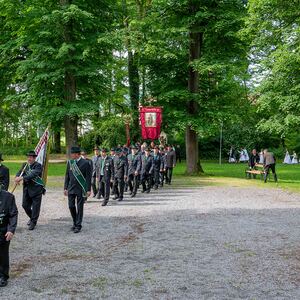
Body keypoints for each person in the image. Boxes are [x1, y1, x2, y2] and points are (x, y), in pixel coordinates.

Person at [64, 146, 92, 233]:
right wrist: (65, 188)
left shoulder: (86, 163)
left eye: (72, 153)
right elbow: (67, 176)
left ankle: (78, 225)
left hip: (81, 188)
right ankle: (75, 222)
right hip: (71, 188)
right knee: (71, 206)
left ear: (77, 154)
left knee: (80, 207)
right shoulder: (70, 162)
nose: (71, 155)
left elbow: (88, 177)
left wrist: (88, 189)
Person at [15, 151, 45, 230]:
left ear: (34, 158)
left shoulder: (38, 166)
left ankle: (33, 222)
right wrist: (16, 177)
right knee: (25, 205)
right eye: (28, 157)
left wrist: (21, 178)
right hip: (26, 189)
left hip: (36, 189)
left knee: (35, 207)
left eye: (31, 157)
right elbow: (19, 172)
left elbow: (33, 174)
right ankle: (32, 218)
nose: (29, 158)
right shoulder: (25, 165)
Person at [0, 187, 18, 287]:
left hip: (3, 232)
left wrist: (11, 230)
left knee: (2, 254)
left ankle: (3, 276)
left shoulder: (8, 197)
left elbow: (13, 214)